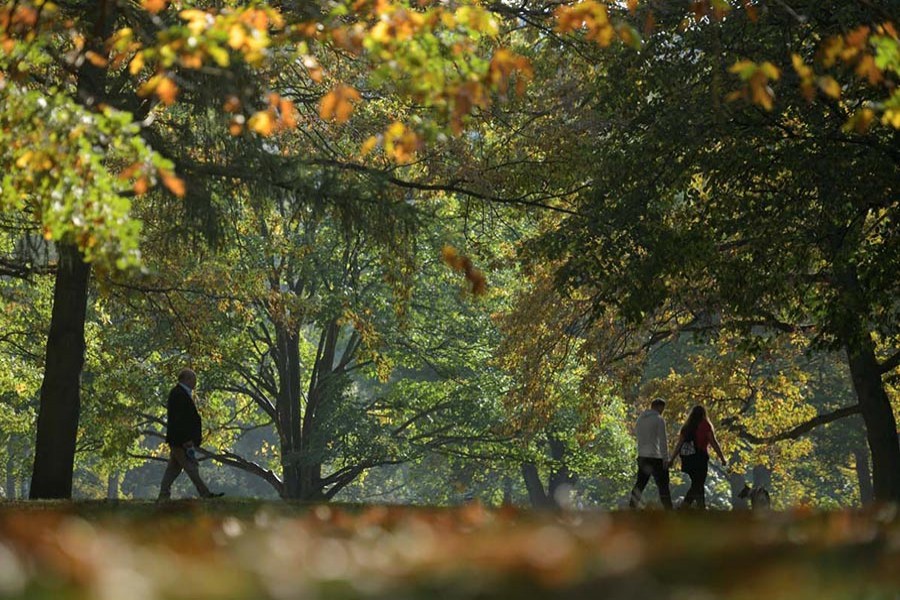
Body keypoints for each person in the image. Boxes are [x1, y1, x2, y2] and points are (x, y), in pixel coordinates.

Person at [157, 368, 223, 500]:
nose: (195, 382)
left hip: (178, 439)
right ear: (186, 379)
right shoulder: (179, 394)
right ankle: (205, 493)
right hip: (181, 440)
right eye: (193, 379)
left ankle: (163, 494)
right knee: (191, 467)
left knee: (173, 469)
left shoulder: (180, 393)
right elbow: (180, 420)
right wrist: (186, 439)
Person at [669, 405, 726, 509]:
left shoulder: (686, 427)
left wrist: (672, 459)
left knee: (698, 483)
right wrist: (722, 457)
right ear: (704, 414)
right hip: (700, 458)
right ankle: (686, 505)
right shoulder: (705, 425)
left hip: (687, 459)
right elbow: (713, 442)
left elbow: (679, 444)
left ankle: (701, 507)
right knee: (698, 484)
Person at [629, 398, 673, 509]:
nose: (662, 411)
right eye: (662, 408)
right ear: (659, 407)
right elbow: (663, 441)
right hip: (656, 456)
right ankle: (668, 509)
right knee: (663, 485)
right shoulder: (658, 419)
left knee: (640, 483)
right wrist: (665, 458)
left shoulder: (640, 419)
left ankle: (632, 505)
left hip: (642, 455)